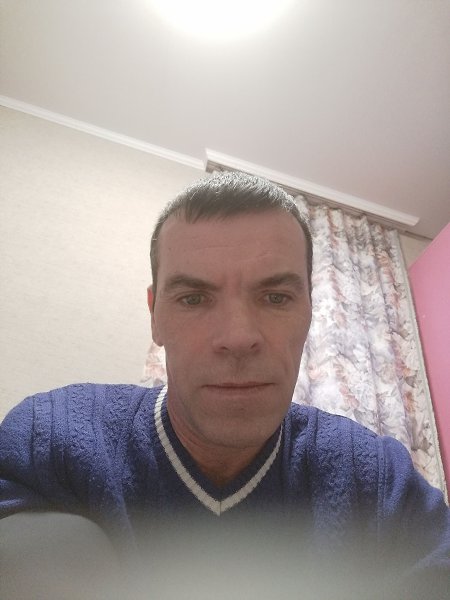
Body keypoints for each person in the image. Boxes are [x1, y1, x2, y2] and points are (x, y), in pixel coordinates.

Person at [0, 171, 449, 598]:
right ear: (155, 316)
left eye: (276, 297)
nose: (238, 337)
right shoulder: (49, 439)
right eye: (194, 298)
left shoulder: (375, 482)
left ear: (310, 310)